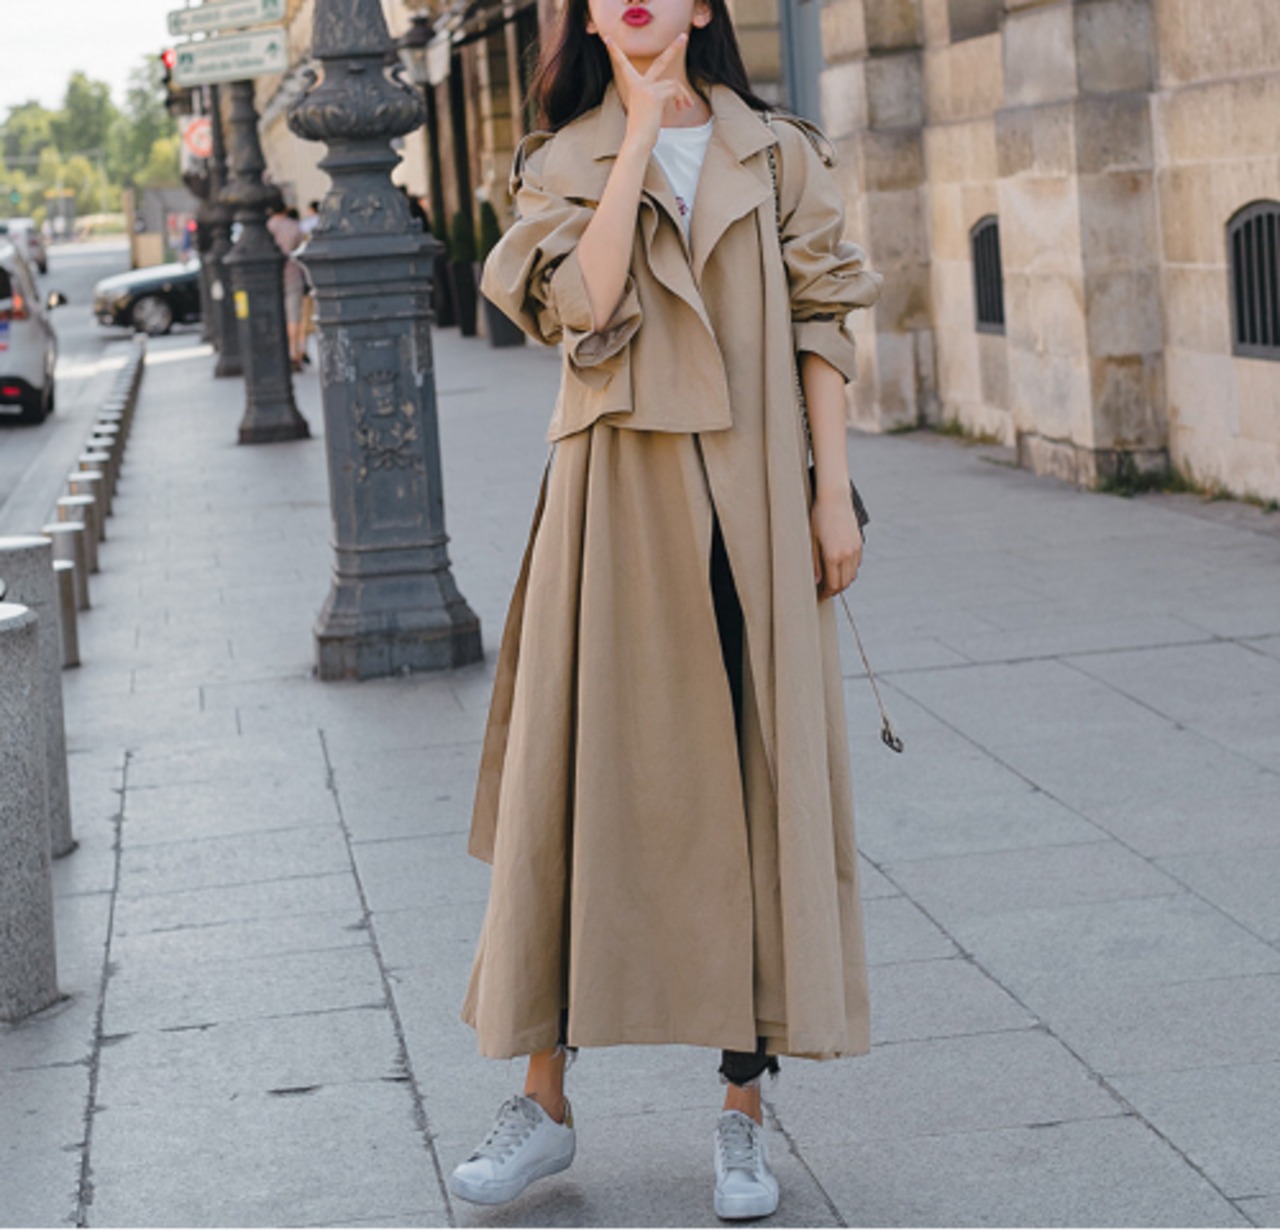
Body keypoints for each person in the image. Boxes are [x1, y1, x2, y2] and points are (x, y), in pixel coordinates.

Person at [451, 0, 881, 1218]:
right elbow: (582, 308)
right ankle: (543, 1102)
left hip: (754, 493)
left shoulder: (777, 151)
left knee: (752, 782)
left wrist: (830, 495)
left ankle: (742, 1112)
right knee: (576, 784)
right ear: (589, 16)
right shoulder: (561, 158)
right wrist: (637, 129)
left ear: (701, 5)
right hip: (614, 500)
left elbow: (821, 319)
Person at [266, 205, 308, 371]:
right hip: (293, 275)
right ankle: (293, 351)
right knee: (293, 316)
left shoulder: (266, 227)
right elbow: (302, 252)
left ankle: (280, 352)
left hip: (271, 277)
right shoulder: (294, 227)